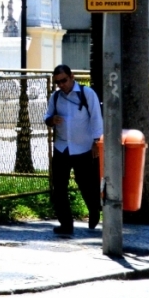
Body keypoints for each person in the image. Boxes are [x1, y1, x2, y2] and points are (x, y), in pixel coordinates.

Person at [44, 65, 103, 236]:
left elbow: (96, 118)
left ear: (72, 76)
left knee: (86, 184)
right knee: (59, 187)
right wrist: (51, 120)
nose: (61, 85)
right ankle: (66, 224)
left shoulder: (87, 93)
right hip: (62, 147)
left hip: (83, 147)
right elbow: (47, 116)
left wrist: (96, 142)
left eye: (64, 80)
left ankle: (94, 210)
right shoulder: (56, 97)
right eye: (58, 82)